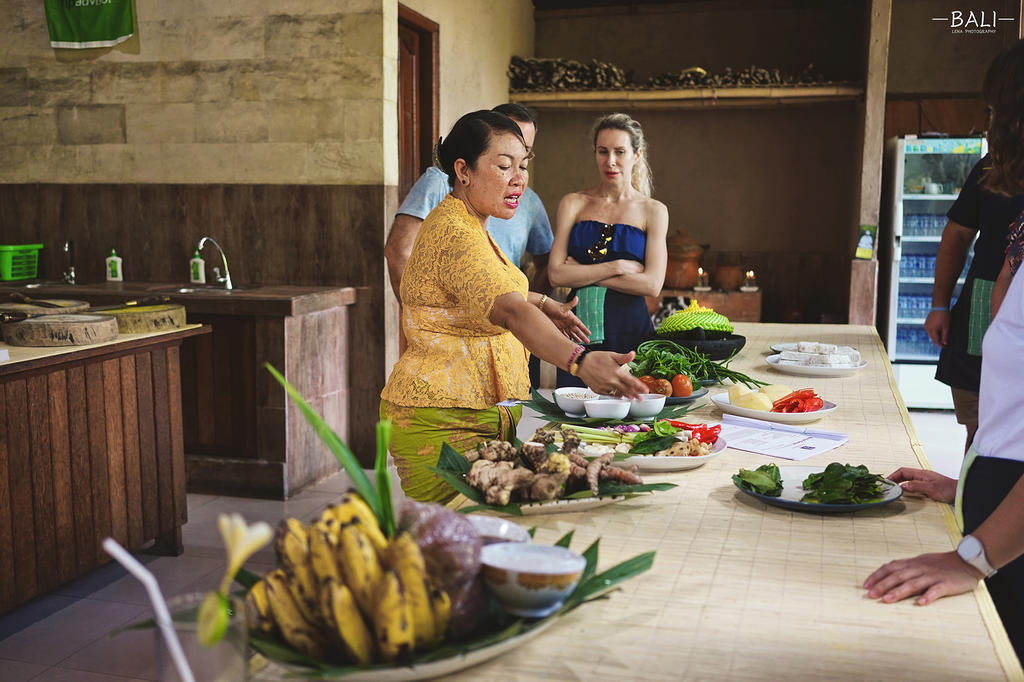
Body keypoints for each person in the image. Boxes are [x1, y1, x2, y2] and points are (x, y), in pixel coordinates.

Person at [380, 110, 646, 503]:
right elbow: (508, 311)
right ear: (463, 170)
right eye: (504, 166)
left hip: (477, 414)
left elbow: (486, 292)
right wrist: (580, 361)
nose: (519, 178)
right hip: (441, 422)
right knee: (460, 547)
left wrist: (539, 301)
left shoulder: (473, 222)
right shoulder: (456, 233)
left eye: (523, 165)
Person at [864, 40, 1024, 664]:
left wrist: (972, 557)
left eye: (993, 113)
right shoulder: (1017, 228)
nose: (987, 129)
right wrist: (963, 486)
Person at [384, 103, 553, 300]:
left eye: (523, 160)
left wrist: (538, 308)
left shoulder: (530, 201)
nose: (517, 176)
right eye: (505, 163)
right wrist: (423, 318)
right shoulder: (440, 182)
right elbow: (399, 251)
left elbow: (546, 265)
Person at [547, 113, 668, 388]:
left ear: (636, 155)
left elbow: (652, 284)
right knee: (576, 421)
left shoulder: (654, 210)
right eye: (603, 151)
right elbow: (555, 275)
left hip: (633, 332)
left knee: (634, 421)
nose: (610, 161)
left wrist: (578, 271)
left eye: (619, 152)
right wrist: (617, 267)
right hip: (578, 335)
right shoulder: (573, 203)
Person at [925, 155, 1024, 452]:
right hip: (984, 300)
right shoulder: (991, 165)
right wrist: (939, 305)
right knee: (981, 428)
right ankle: (970, 491)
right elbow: (958, 234)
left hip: (1004, 300)